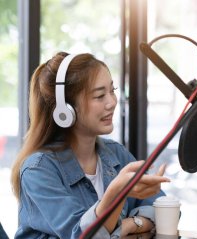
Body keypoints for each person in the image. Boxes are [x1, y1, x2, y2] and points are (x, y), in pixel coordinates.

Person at [10, 52, 170, 238]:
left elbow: (163, 209)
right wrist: (117, 192)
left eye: (112, 90)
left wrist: (132, 224)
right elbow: (82, 235)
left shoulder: (115, 153)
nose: (111, 102)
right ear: (66, 109)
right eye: (99, 95)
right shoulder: (38, 169)